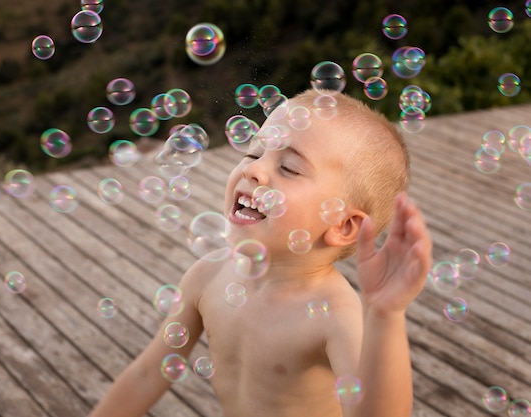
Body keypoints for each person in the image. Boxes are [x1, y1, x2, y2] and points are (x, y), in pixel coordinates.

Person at [89, 88, 432, 417]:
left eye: (289, 168)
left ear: (342, 225)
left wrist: (387, 315)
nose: (252, 169)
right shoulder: (208, 276)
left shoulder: (334, 315)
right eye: (254, 153)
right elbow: (148, 374)